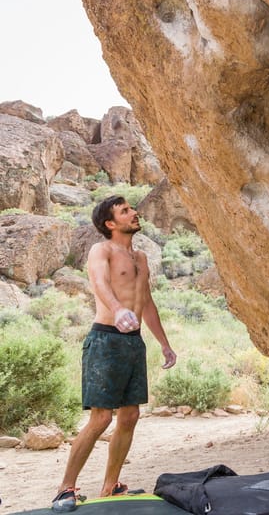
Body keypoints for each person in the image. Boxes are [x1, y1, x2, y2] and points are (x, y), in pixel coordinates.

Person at [52, 195, 177, 512]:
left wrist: (163, 343)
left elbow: (147, 303)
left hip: (133, 343)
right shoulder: (102, 249)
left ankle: (110, 486)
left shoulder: (141, 258)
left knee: (130, 416)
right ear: (110, 223)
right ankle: (65, 489)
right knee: (101, 419)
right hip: (106, 339)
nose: (134, 213)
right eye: (125, 211)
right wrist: (118, 310)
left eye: (132, 208)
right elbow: (98, 283)